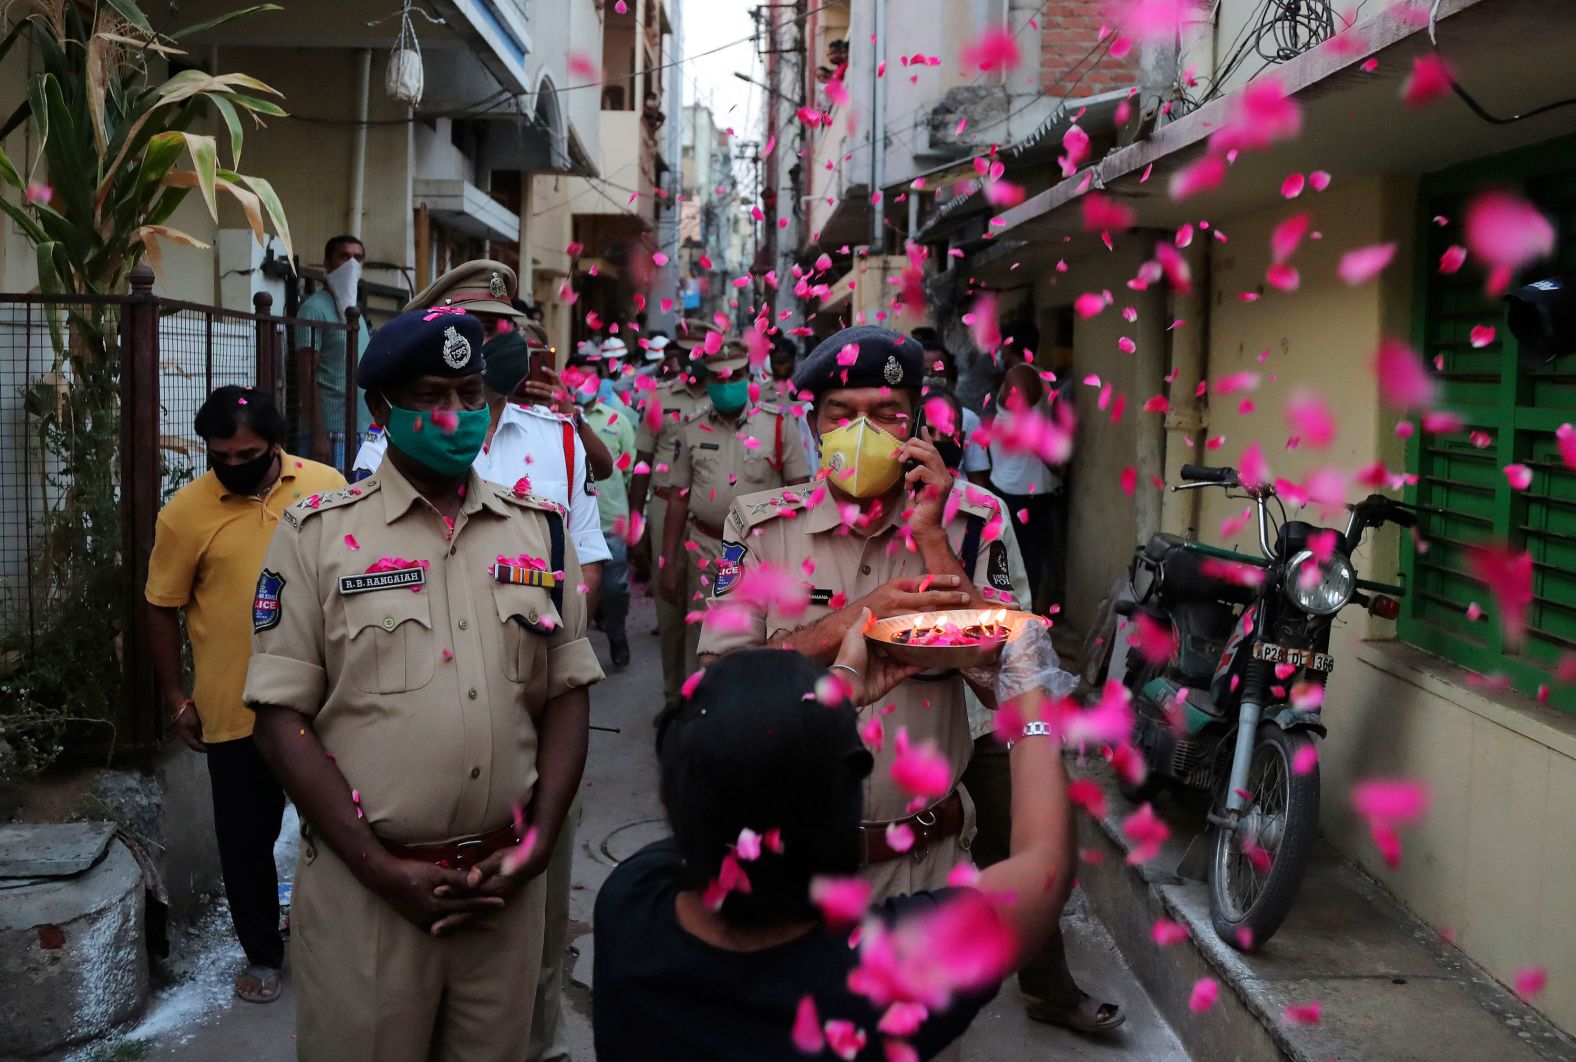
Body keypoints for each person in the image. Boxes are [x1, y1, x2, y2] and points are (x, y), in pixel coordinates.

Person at [244, 308, 603, 1061]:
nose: (458, 416)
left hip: (503, 891)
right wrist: (382, 870)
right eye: (432, 397)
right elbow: (280, 717)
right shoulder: (315, 536)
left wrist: (538, 843)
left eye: (471, 395)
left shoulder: (540, 530)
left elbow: (567, 689)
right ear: (381, 411)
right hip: (369, 894)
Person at [593, 618, 1076, 1060]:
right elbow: (1044, 864)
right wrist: (1029, 701)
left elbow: (736, 800)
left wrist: (838, 685)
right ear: (849, 810)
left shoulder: (630, 903)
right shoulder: (888, 975)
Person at [695, 326, 1017, 902]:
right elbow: (721, 691)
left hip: (930, 866)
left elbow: (1010, 686)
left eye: (887, 413)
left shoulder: (976, 520)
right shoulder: (760, 526)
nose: (861, 432)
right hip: (797, 867)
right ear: (813, 426)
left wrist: (935, 541)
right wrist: (853, 622)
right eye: (840, 413)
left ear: (916, 424)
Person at [922, 387, 1125, 1033]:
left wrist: (933, 536)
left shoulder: (980, 514)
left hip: (977, 717)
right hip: (884, 726)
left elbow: (1005, 630)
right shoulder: (826, 516)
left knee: (1024, 852)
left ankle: (1050, 988)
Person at [145, 387, 345, 1005]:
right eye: (222, 455)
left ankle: (340, 941)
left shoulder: (327, 485)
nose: (235, 464)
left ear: (275, 444)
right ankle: (262, 953)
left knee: (342, 826)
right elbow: (160, 606)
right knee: (245, 841)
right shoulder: (185, 514)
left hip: (329, 702)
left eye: (248, 453)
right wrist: (178, 696)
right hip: (237, 710)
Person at [352, 261, 613, 600]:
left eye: (507, 327)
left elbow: (587, 560)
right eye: (481, 328)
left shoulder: (560, 438)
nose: (502, 341)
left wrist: (560, 647)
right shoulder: (397, 439)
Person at [659, 340, 810, 680]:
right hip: (706, 546)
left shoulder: (776, 425)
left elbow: (800, 490)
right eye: (719, 378)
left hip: (761, 548)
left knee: (759, 632)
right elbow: (678, 498)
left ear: (748, 375)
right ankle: (695, 709)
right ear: (709, 381)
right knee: (701, 634)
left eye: (734, 376)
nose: (727, 385)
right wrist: (669, 561)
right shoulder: (692, 427)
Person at [627, 337, 713, 709]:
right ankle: (672, 699)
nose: (691, 359)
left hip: (708, 515)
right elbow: (642, 464)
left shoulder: (725, 398)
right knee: (669, 606)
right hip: (664, 509)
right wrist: (636, 526)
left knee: (705, 610)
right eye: (685, 352)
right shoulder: (659, 399)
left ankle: (697, 700)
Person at [571, 347, 639, 670]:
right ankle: (573, 652)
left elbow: (630, 471)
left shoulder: (619, 421)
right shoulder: (551, 417)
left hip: (610, 521)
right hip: (569, 524)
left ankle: (616, 634)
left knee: (614, 589)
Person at [985, 358, 1065, 612]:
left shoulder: (1006, 403)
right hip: (1025, 492)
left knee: (1013, 553)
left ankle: (1017, 609)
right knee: (1026, 555)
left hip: (1013, 490)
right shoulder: (1032, 411)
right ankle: (1023, 609)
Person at [293, 234, 372, 468]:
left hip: (360, 430)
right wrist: (319, 435)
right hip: (330, 433)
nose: (351, 264)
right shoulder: (313, 310)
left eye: (358, 258)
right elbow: (306, 375)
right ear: (328, 264)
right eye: (344, 257)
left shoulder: (354, 312)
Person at [912, 327, 990, 485]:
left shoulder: (969, 418)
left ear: (948, 374)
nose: (930, 377)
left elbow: (977, 476)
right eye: (924, 371)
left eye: (937, 371)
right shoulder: (904, 416)